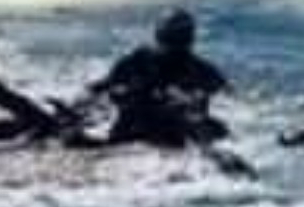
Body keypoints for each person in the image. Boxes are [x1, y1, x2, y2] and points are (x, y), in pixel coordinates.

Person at [82, 9, 230, 148]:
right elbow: (104, 86)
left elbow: (226, 95)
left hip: (173, 134)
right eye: (173, 38)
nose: (174, 46)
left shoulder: (200, 69)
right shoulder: (140, 58)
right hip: (137, 127)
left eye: (178, 38)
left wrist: (192, 100)